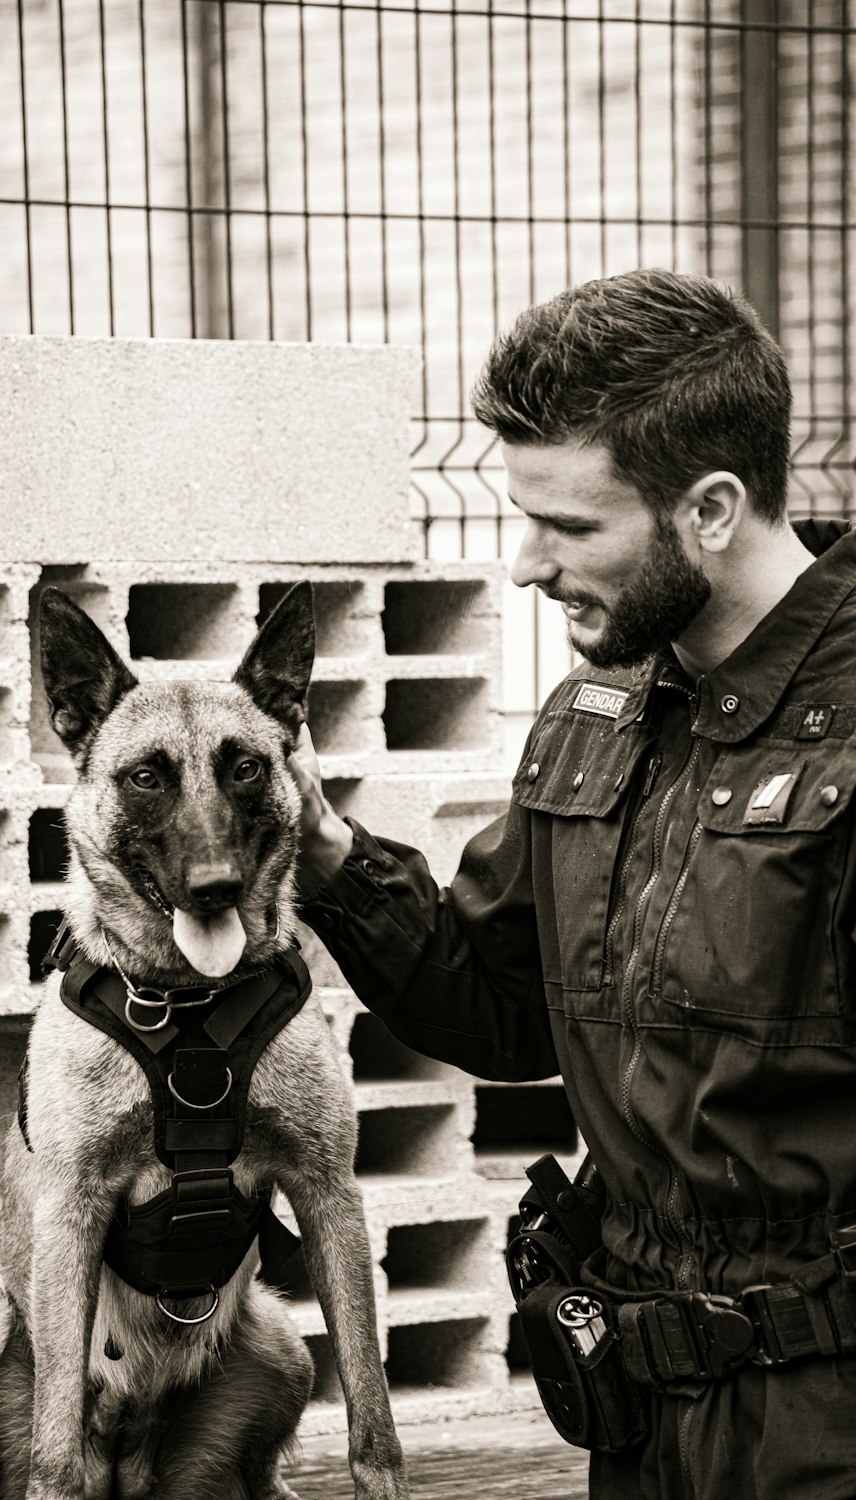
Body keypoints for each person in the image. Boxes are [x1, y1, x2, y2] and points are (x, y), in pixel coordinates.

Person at [289, 267, 856, 1500]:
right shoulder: (596, 713)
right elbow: (499, 1007)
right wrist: (327, 856)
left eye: (571, 526)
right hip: (637, 1412)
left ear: (709, 506)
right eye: (522, 514)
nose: (527, 564)